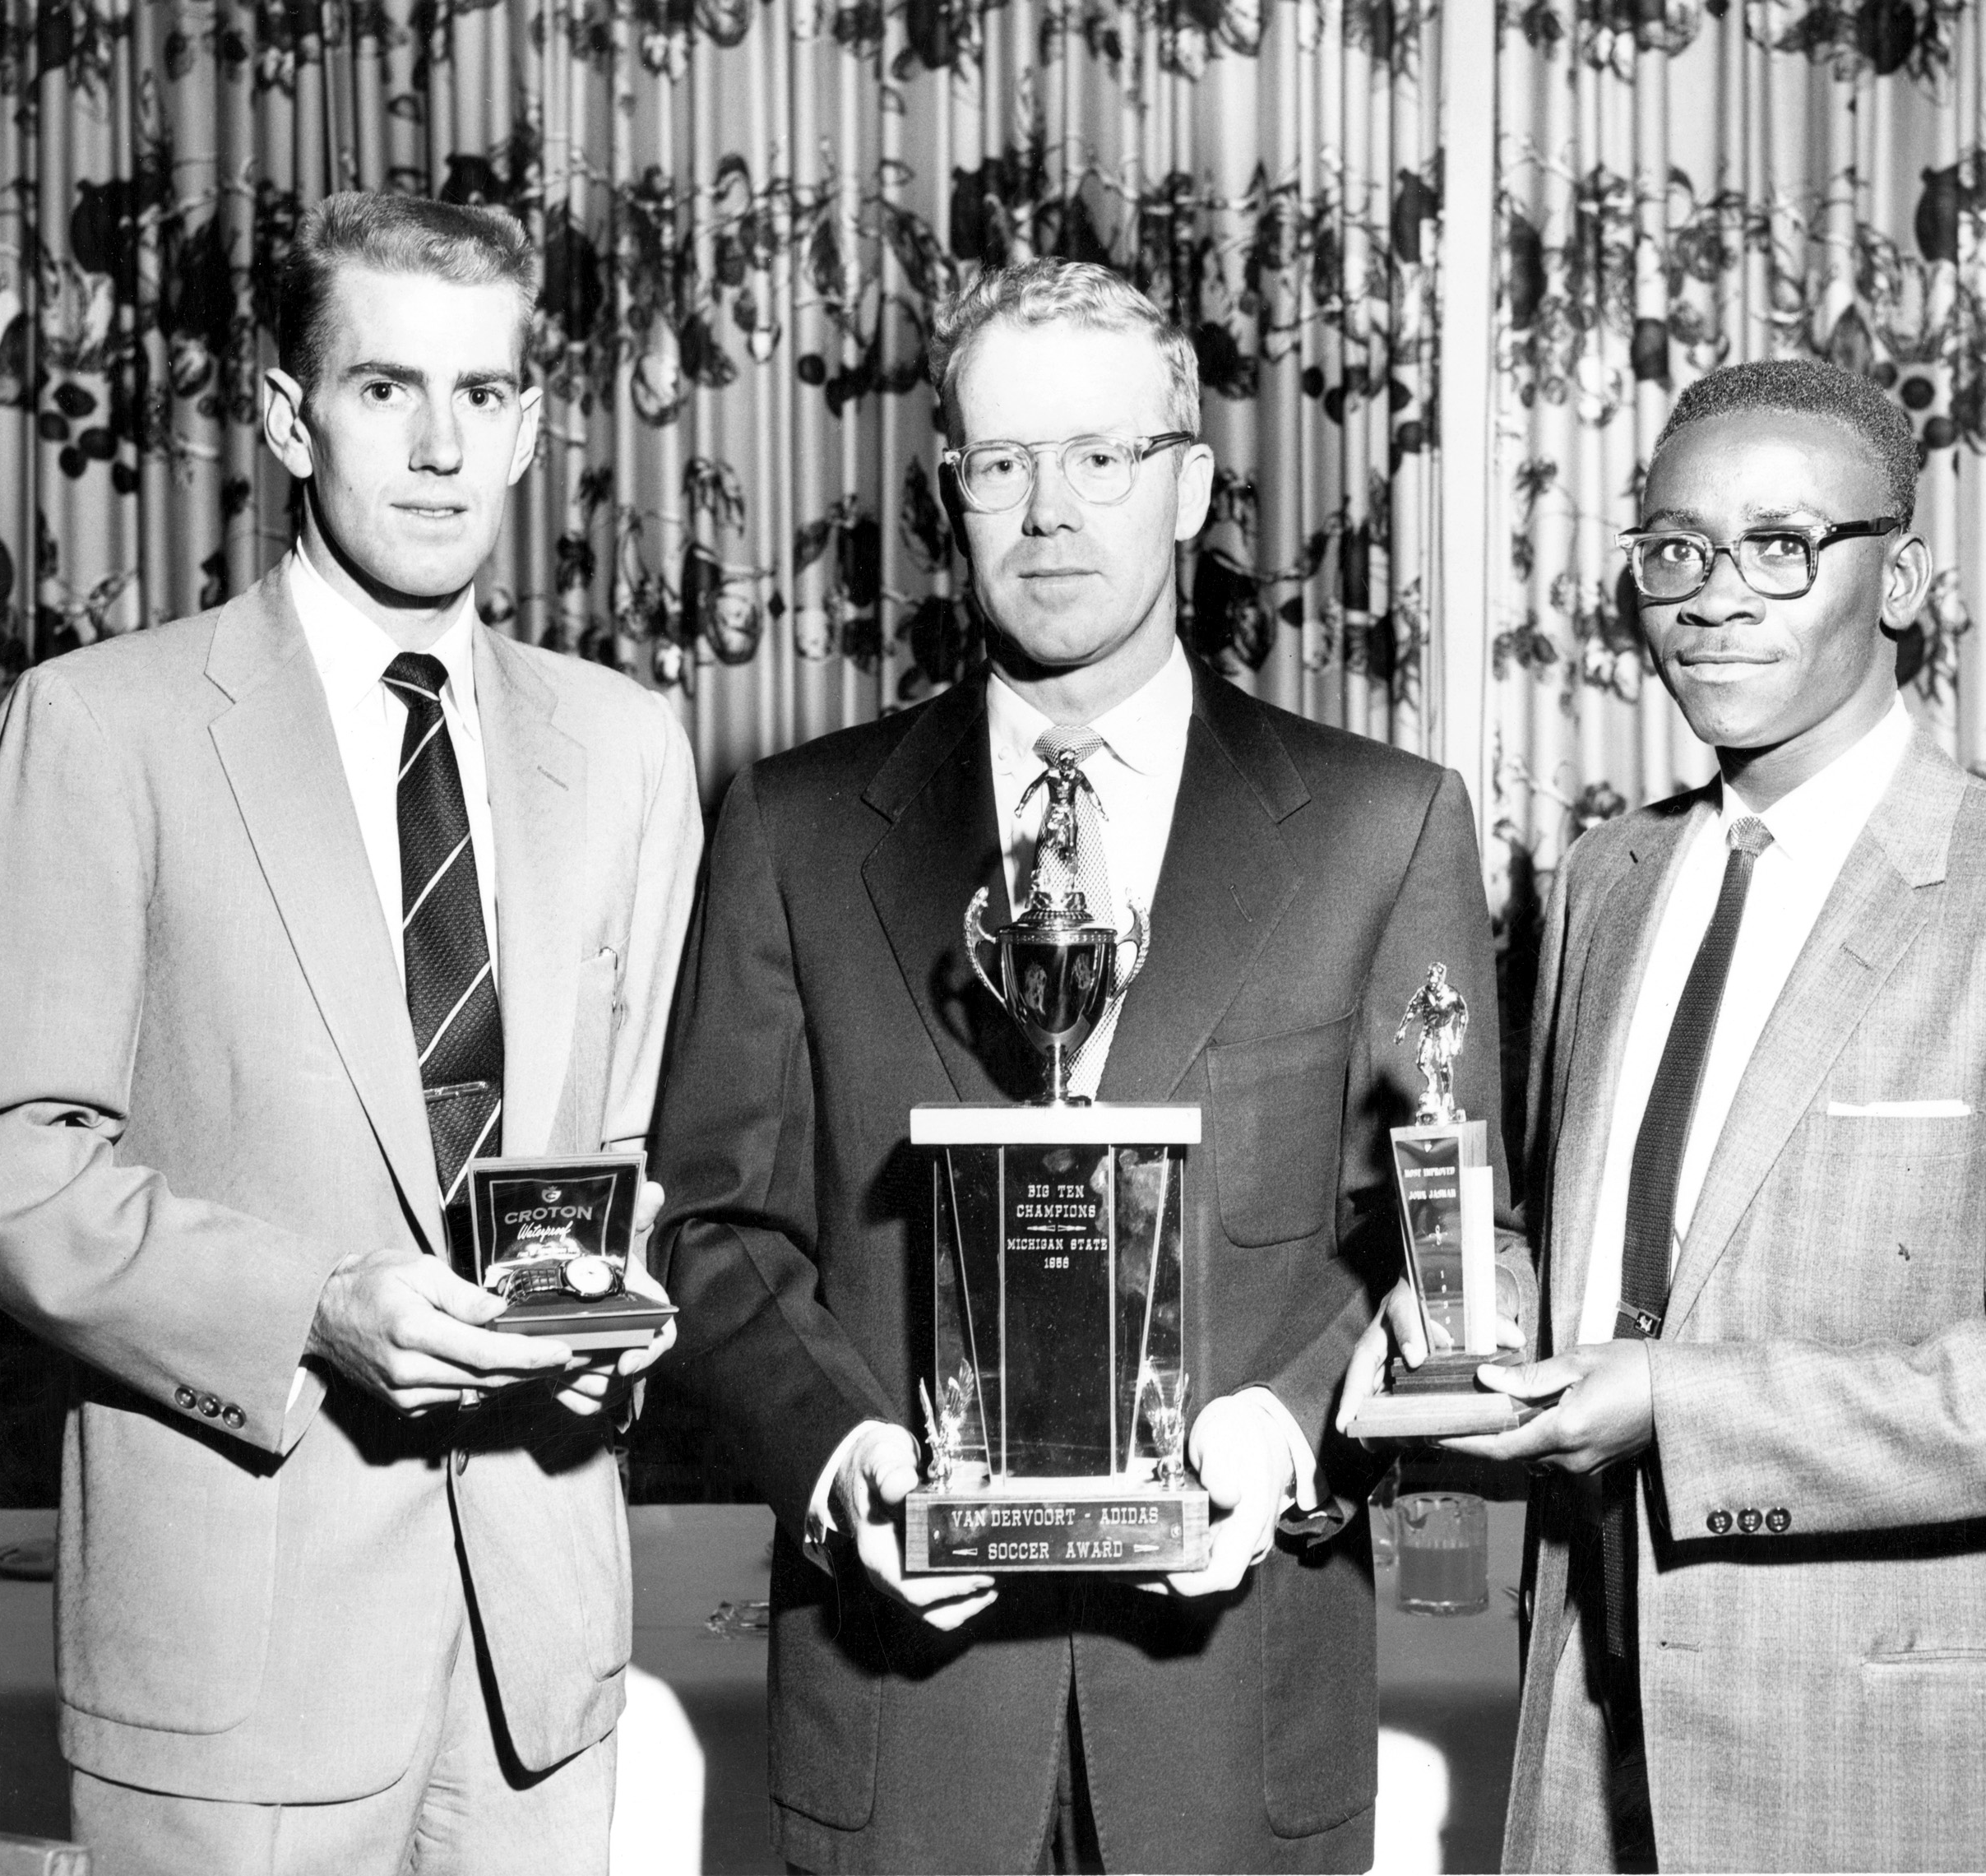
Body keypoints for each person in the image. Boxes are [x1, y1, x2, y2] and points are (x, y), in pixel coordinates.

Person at [647, 257, 1525, 1874]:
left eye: (1103, 457)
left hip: (1237, 1717)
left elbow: (1431, 1214)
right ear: (946, 499)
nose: (1050, 510)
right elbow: (714, 1221)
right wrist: (847, 1464)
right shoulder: (793, 824)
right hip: (899, 1717)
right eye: (1001, 463)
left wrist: (1283, 1426)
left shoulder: (1380, 826)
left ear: (1187, 485)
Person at [1343, 356, 1986, 1871]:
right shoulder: (1608, 883)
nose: (1716, 597)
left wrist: (1686, 1407)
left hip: (1903, 1779)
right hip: (1586, 1739)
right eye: (1675, 549)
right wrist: (1451, 1314)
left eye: (1781, 545)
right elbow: (1598, 1250)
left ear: (1904, 579)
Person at [0, 193, 700, 1874]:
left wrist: (627, 1301)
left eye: (483, 396)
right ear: (289, 415)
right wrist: (314, 1307)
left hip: (535, 1657)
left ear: (531, 422)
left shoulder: (631, 750)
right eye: (382, 389)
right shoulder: (100, 728)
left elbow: (635, 1154)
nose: (438, 448)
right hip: (233, 1662)